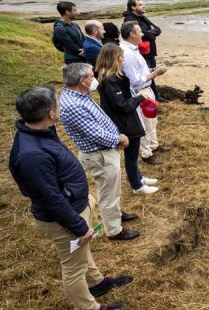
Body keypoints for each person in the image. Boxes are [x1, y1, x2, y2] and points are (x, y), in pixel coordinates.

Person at [9, 86, 132, 310]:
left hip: (74, 207)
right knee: (73, 266)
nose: (60, 107)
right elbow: (50, 198)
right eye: (57, 104)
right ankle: (90, 307)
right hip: (63, 218)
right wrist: (78, 226)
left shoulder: (40, 133)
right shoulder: (32, 155)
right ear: (50, 113)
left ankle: (98, 283)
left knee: (80, 252)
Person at [59, 62, 140, 241]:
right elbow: (94, 133)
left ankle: (116, 214)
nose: (94, 79)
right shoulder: (73, 105)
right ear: (82, 80)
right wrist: (119, 139)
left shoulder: (80, 95)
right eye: (91, 76)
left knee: (112, 189)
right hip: (99, 155)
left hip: (104, 151)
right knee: (108, 194)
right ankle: (114, 230)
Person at [97, 43, 160, 196]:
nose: (124, 61)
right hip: (124, 121)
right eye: (122, 58)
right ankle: (137, 186)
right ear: (115, 59)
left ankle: (138, 177)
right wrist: (138, 98)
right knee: (131, 155)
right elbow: (121, 105)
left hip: (125, 119)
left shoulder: (112, 77)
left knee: (133, 154)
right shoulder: (111, 80)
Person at [120, 21, 169, 164]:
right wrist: (155, 75)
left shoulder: (134, 49)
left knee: (152, 120)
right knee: (145, 123)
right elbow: (134, 80)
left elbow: (140, 72)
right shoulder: (127, 53)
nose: (143, 34)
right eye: (140, 31)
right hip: (139, 92)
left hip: (146, 89)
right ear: (132, 34)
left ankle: (153, 145)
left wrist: (153, 70)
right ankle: (147, 154)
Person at [123, 0, 164, 102]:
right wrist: (149, 34)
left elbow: (158, 29)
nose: (143, 6)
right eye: (140, 5)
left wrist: (150, 33)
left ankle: (154, 95)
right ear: (133, 7)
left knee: (150, 72)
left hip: (149, 51)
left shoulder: (143, 18)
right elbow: (147, 35)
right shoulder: (129, 19)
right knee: (145, 74)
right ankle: (151, 96)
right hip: (142, 51)